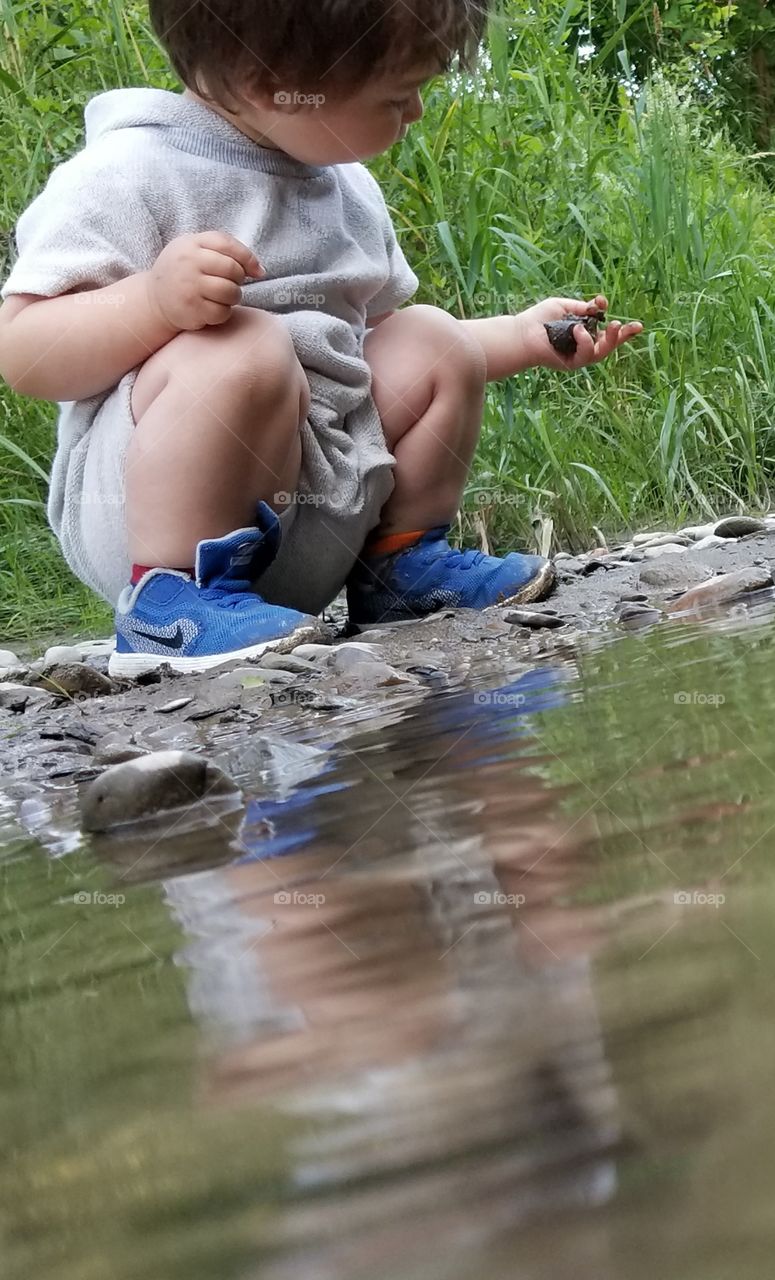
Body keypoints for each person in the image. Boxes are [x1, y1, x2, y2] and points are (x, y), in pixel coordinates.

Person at [0, 0, 642, 676]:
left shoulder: (348, 191)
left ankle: (399, 566)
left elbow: (379, 344)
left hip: (316, 504)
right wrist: (151, 303)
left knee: (432, 336)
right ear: (266, 79)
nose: (416, 112)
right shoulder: (126, 173)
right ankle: (171, 607)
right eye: (398, 95)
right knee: (244, 346)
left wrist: (524, 336)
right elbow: (25, 353)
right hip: (149, 517)